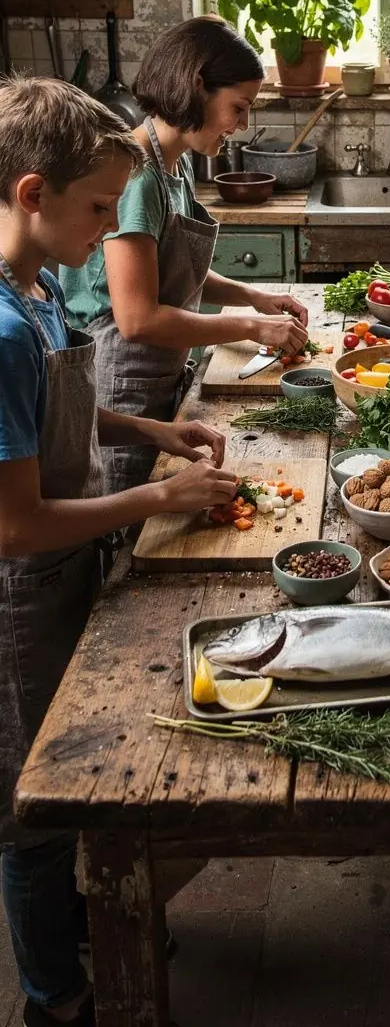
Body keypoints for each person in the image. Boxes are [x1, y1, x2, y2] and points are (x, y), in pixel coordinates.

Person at [0, 78, 238, 1027]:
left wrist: (149, 426)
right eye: (98, 207)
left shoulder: (38, 285)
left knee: (59, 776)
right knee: (30, 808)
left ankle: (85, 925)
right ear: (30, 194)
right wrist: (157, 498)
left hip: (56, 572)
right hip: (18, 589)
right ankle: (57, 997)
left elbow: (56, 409)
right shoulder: (2, 328)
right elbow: (14, 524)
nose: (109, 228)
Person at [61, 16, 309, 493]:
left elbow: (176, 271)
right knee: (126, 532)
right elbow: (137, 318)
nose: (241, 126)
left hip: (153, 378)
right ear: (198, 86)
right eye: (239, 107)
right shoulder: (137, 176)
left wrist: (252, 296)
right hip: (119, 383)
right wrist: (251, 326)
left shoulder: (171, 167)